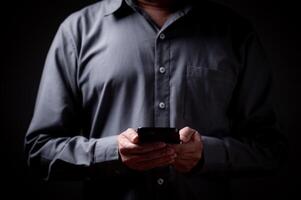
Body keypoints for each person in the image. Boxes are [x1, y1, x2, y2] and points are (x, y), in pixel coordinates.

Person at [25, 0, 287, 199]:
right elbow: (40, 150)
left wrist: (206, 154)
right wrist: (111, 153)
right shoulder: (77, 31)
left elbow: (270, 151)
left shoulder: (236, 33)